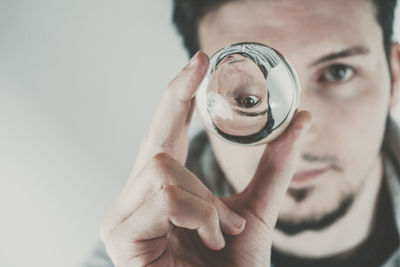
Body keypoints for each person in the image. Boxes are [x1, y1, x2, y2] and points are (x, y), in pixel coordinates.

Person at [85, 0, 400, 266]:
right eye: (248, 98)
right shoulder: (137, 258)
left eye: (338, 72)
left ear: (395, 76)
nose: (297, 135)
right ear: (201, 91)